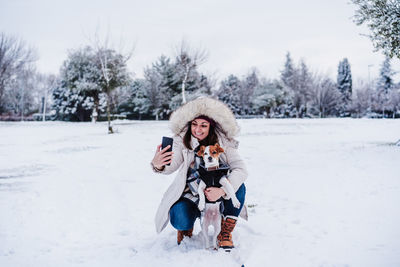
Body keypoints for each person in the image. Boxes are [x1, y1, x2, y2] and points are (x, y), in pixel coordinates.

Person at [150, 97, 248, 250]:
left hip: (217, 193)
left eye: (203, 125)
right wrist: (158, 164)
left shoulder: (224, 142)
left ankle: (225, 232)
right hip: (193, 193)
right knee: (179, 218)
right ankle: (185, 227)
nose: (197, 129)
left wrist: (221, 191)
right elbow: (171, 165)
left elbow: (241, 170)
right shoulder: (181, 140)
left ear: (211, 126)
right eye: (194, 124)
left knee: (239, 187)